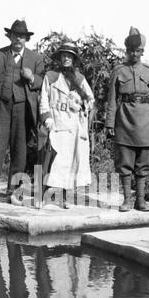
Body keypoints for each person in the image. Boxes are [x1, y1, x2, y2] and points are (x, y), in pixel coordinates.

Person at [0, 19, 44, 208]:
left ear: (26, 39)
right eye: (15, 35)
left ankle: (14, 192)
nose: (18, 39)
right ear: (10, 36)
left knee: (19, 151)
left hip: (23, 108)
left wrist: (32, 78)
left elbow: (42, 82)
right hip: (0, 107)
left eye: (22, 36)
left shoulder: (36, 58)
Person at [105, 27, 149, 212]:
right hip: (124, 119)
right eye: (131, 51)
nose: (134, 54)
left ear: (142, 52)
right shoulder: (118, 71)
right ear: (126, 51)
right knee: (124, 162)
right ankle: (126, 201)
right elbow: (112, 100)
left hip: (146, 121)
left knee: (144, 162)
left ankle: (140, 200)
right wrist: (109, 123)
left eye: (137, 51)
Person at [38, 42, 94, 208]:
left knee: (69, 162)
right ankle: (41, 196)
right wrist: (47, 120)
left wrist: (80, 103)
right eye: (64, 55)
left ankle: (63, 198)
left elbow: (90, 100)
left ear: (74, 59)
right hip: (56, 122)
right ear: (59, 57)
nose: (66, 58)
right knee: (50, 159)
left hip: (74, 124)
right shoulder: (51, 76)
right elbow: (44, 100)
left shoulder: (80, 78)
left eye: (70, 56)